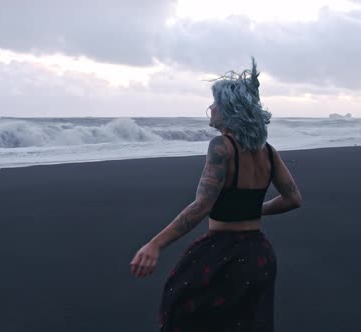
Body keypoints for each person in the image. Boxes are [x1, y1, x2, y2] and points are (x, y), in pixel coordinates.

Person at [129, 57, 302, 332]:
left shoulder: (221, 146)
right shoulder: (267, 151)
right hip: (259, 253)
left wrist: (155, 244)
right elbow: (293, 199)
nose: (210, 108)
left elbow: (201, 205)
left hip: (224, 252)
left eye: (215, 103)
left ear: (230, 110)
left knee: (182, 312)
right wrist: (255, 210)